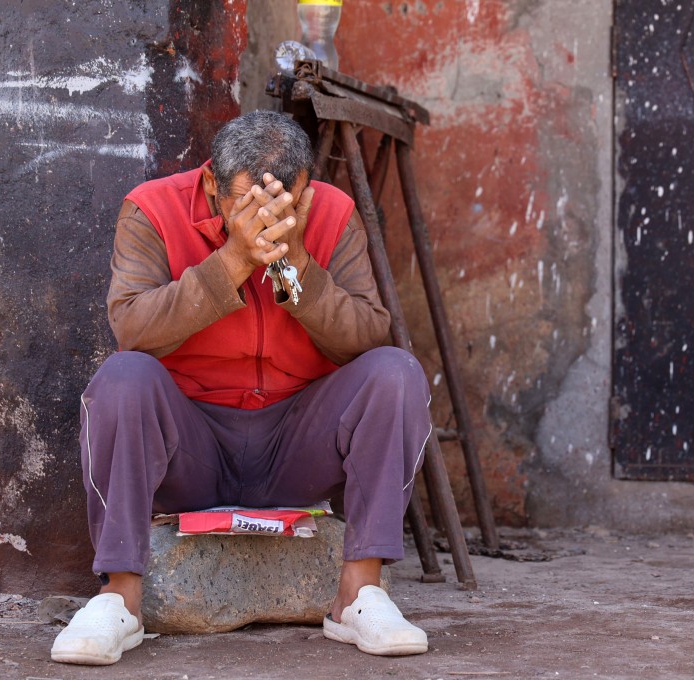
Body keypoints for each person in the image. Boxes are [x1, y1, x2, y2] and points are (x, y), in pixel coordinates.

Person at [50, 110, 432, 665]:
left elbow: (365, 336)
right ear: (211, 182)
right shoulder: (152, 209)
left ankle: (358, 595)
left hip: (296, 446)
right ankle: (120, 599)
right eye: (244, 204)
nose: (265, 219)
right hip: (191, 448)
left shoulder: (332, 212)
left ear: (305, 188)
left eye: (283, 204)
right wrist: (233, 260)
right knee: (122, 377)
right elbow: (132, 328)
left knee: (396, 372)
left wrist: (294, 264)